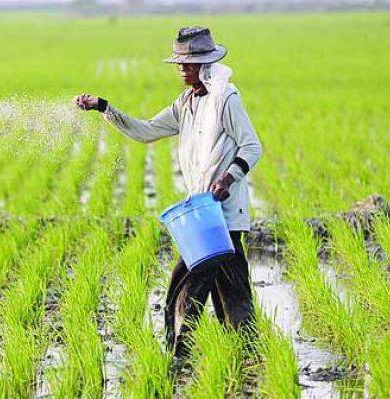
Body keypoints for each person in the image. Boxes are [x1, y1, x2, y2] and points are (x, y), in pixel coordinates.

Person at [73, 26, 263, 362]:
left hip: (224, 214)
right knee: (228, 290)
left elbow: (251, 145)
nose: (181, 69)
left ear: (204, 65)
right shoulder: (186, 103)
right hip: (204, 213)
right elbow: (146, 131)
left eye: (186, 64)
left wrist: (228, 178)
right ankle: (244, 352)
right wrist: (104, 107)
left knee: (188, 286)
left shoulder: (226, 99)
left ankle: (181, 356)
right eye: (179, 63)